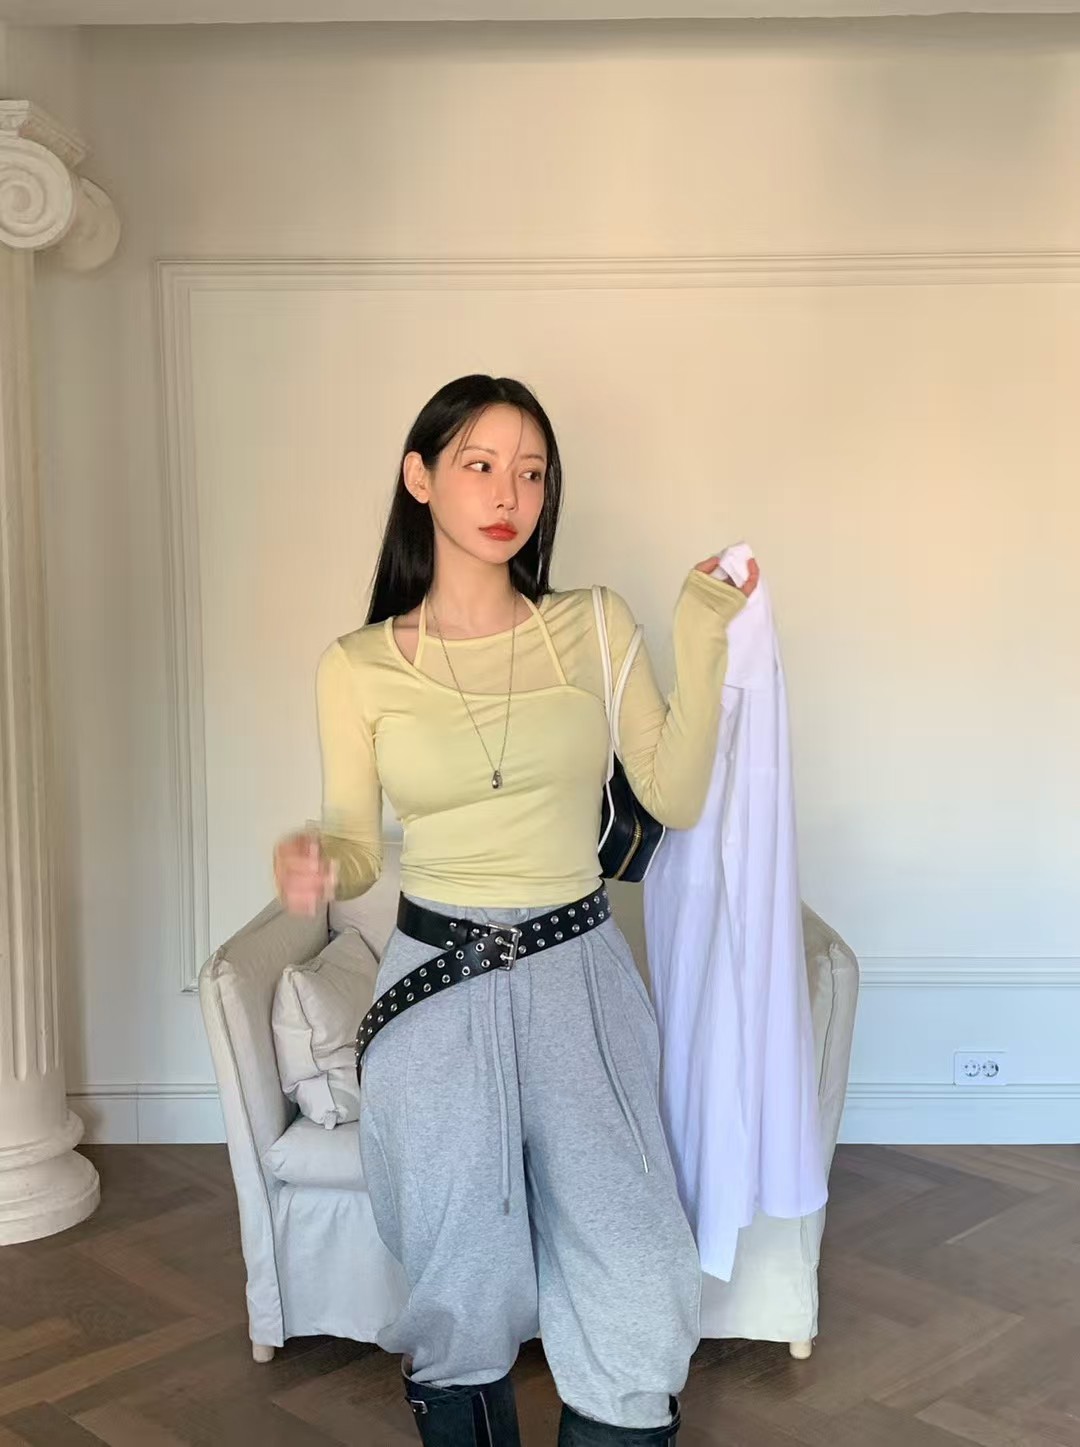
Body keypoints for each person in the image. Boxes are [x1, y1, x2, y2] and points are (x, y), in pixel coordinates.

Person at [274, 374, 758, 1447]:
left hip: (580, 975)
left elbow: (673, 795)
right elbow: (357, 843)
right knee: (460, 1282)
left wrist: (701, 630)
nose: (509, 494)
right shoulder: (358, 666)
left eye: (532, 473)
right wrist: (316, 861)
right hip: (434, 990)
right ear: (420, 478)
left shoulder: (594, 625)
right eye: (481, 465)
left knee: (637, 1264)